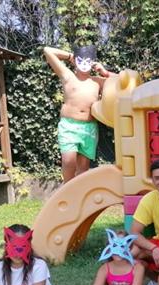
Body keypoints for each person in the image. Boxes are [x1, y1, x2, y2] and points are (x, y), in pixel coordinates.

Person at [43, 45, 115, 183]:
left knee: (83, 168)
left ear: (93, 62)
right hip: (69, 126)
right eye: (80, 59)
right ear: (75, 61)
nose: (84, 63)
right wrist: (70, 56)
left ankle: (78, 193)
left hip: (89, 128)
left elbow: (121, 81)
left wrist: (104, 72)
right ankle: (67, 189)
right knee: (68, 161)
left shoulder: (96, 81)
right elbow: (47, 50)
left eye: (88, 60)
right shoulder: (68, 76)